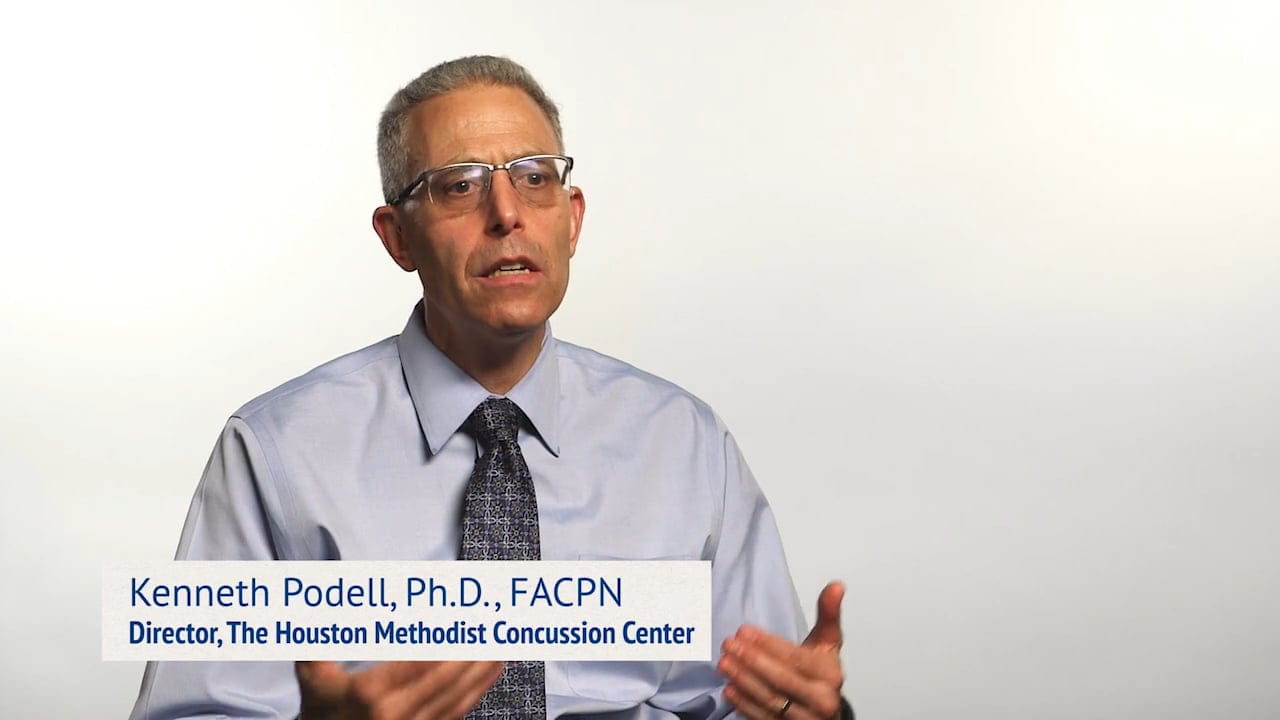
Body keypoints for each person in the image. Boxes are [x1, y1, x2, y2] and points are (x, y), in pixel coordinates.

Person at [130, 55, 851, 720]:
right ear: (397, 237)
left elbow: (762, 700)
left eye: (535, 177)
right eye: (460, 185)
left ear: (572, 219)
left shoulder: (687, 444)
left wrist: (812, 715)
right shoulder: (274, 451)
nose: (507, 213)